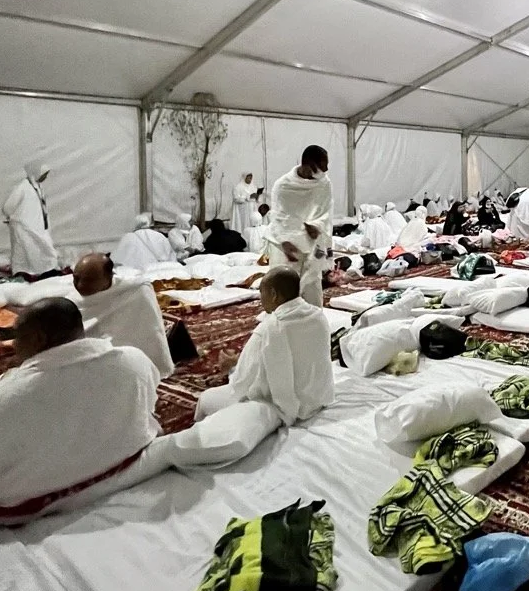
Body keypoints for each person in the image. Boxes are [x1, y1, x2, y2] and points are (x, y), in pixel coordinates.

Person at [0, 298, 161, 547]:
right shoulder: (135, 361)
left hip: (26, 499)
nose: (14, 344)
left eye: (18, 336)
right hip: (110, 465)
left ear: (38, 339)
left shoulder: (1, 400)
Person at [194, 268, 335, 425]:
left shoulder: (270, 328)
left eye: (262, 292)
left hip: (288, 408)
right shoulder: (318, 315)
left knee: (206, 399)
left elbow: (242, 385)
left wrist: (232, 369)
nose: (261, 299)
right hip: (319, 399)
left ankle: (200, 430)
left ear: (273, 294)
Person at [72, 253, 174, 377]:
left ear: (109, 277)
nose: (80, 285)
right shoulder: (73, 299)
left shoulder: (135, 292)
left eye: (88, 280)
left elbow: (150, 333)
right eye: (76, 278)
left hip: (127, 358)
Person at [264, 146, 332, 307]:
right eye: (322, 166)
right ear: (308, 166)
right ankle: (282, 320)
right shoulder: (283, 185)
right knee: (284, 287)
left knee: (312, 286)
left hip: (312, 241)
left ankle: (313, 317)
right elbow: (278, 217)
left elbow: (326, 210)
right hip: (286, 244)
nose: (325, 170)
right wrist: (284, 240)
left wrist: (316, 225)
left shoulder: (323, 183)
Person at [2, 161, 58, 279]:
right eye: (44, 174)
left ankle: (42, 272)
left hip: (37, 227)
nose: (45, 177)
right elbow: (7, 207)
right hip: (25, 227)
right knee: (25, 252)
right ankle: (25, 274)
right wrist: (16, 218)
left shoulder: (37, 187)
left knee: (40, 249)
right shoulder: (23, 187)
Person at [112, 214, 178, 270]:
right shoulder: (159, 236)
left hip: (135, 272)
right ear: (148, 223)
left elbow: (116, 259)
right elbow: (171, 256)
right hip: (158, 271)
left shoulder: (128, 237)